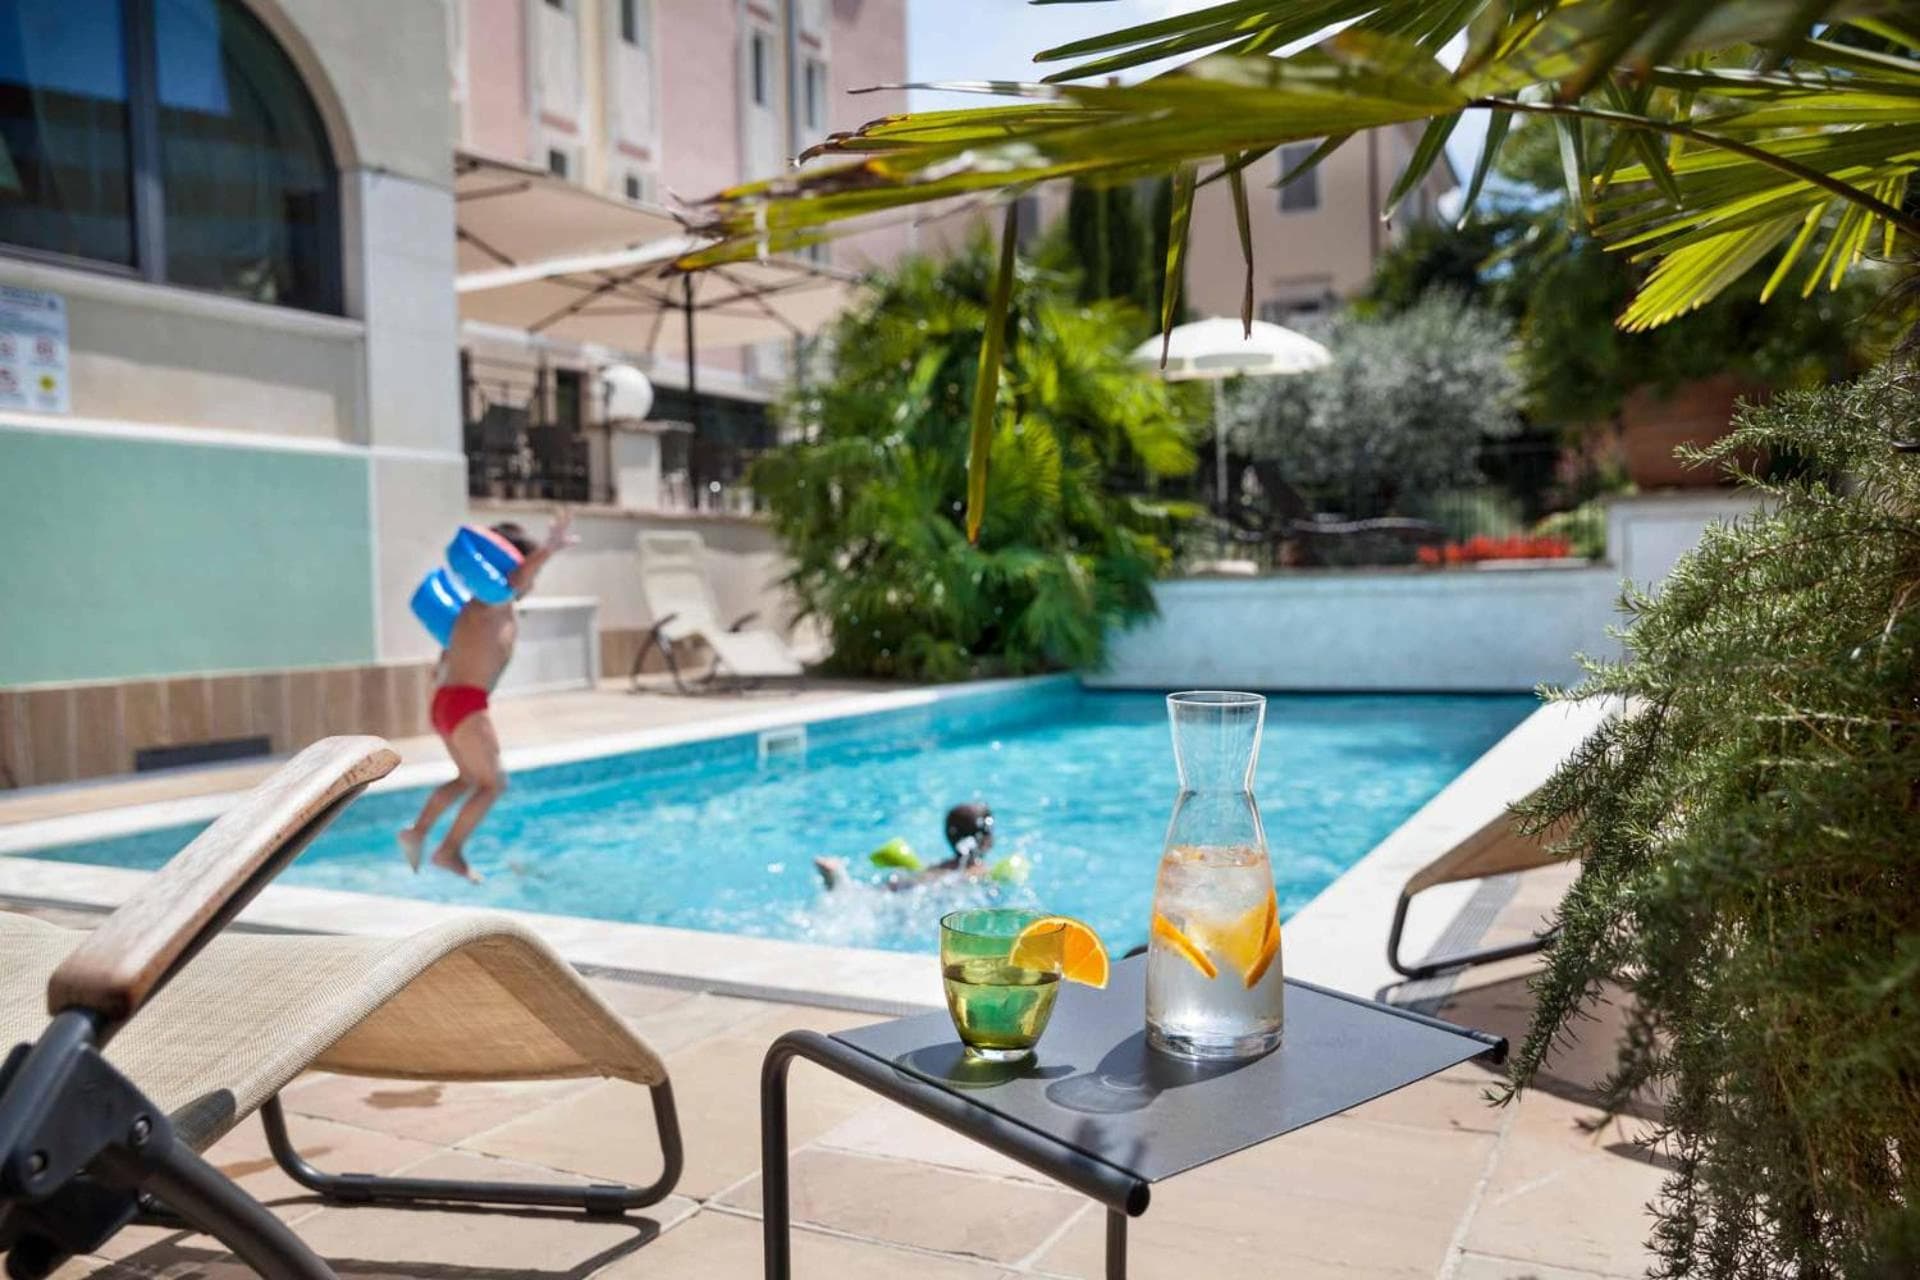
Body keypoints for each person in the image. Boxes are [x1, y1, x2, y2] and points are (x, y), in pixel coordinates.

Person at [399, 512, 577, 882]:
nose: (532, 581)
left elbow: (443, 663)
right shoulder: (494, 602)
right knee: (493, 784)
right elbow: (515, 579)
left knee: (468, 778)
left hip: (446, 702)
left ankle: (417, 832)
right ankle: (448, 851)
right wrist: (549, 548)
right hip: (467, 704)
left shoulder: (474, 608)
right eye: (531, 571)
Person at [813, 803, 996, 892]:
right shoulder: (980, 872)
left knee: (882, 891)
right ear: (985, 839)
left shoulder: (938, 866)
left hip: (915, 884)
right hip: (935, 894)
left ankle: (842, 884)